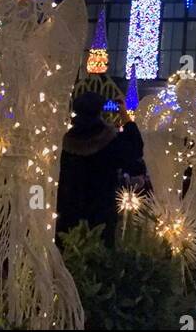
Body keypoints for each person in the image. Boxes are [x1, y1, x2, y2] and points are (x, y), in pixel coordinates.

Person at [56, 92, 145, 247]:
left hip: (70, 212)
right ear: (100, 110)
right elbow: (135, 150)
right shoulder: (109, 142)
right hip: (101, 214)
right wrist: (124, 116)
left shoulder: (66, 143)